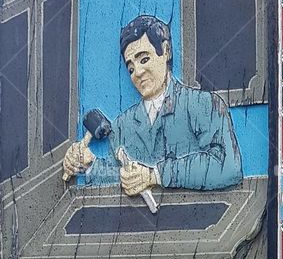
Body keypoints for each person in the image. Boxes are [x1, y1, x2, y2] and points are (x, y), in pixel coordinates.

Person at [62, 15, 244, 194]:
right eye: (131, 67)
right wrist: (90, 164)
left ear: (165, 51)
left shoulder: (204, 106)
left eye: (144, 59)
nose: (138, 73)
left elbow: (227, 166)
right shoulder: (121, 126)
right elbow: (119, 177)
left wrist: (155, 175)